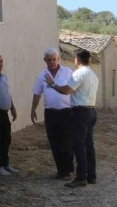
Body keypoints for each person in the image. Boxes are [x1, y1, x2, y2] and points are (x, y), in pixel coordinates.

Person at [44, 49, 99, 188]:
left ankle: (81, 177)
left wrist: (52, 84)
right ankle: (91, 175)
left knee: (79, 145)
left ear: (76, 60)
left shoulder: (79, 73)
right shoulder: (93, 74)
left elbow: (66, 91)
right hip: (91, 111)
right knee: (88, 145)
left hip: (80, 113)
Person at [31, 48, 74, 181]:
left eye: (54, 59)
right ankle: (60, 170)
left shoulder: (68, 72)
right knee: (54, 142)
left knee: (67, 142)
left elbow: (73, 90)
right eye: (49, 60)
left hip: (66, 112)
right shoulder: (42, 75)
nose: (52, 62)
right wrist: (33, 110)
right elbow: (37, 93)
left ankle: (68, 171)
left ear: (58, 59)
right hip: (50, 113)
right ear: (45, 60)